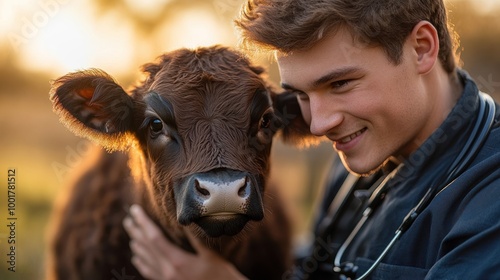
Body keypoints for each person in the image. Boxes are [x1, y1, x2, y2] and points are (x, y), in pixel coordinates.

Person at [123, 0, 500, 279]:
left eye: (340, 84)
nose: (317, 125)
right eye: (301, 95)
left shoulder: (490, 194)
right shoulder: (354, 166)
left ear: (421, 48)